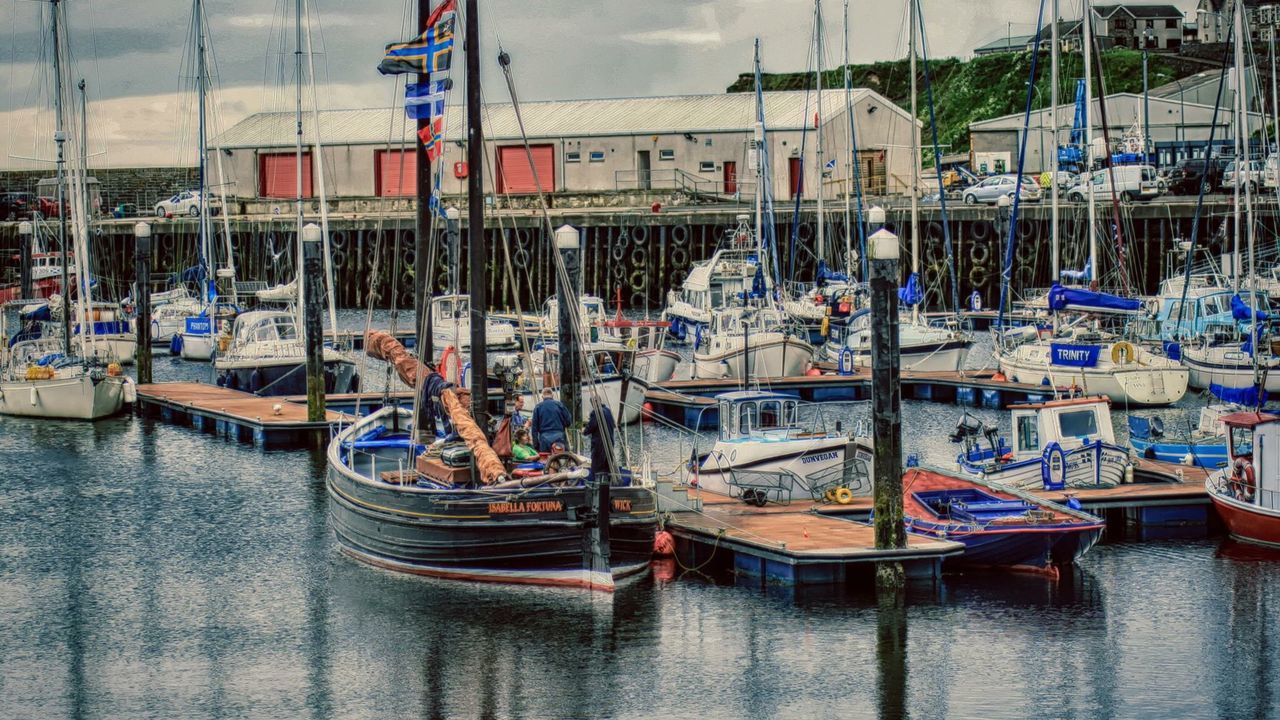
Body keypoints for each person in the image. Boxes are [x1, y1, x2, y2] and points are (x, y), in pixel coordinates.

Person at [530, 388, 571, 453]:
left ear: (542, 396)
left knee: (545, 461)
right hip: (559, 437)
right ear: (552, 395)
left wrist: (536, 445)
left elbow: (534, 429)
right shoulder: (560, 405)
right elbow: (568, 421)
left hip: (544, 439)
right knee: (562, 459)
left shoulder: (538, 407)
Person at [584, 404, 616, 483]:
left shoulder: (596, 412)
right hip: (610, 442)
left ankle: (597, 484)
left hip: (599, 444)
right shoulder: (608, 411)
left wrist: (584, 431)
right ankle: (608, 484)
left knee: (597, 467)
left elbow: (592, 425)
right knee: (607, 466)